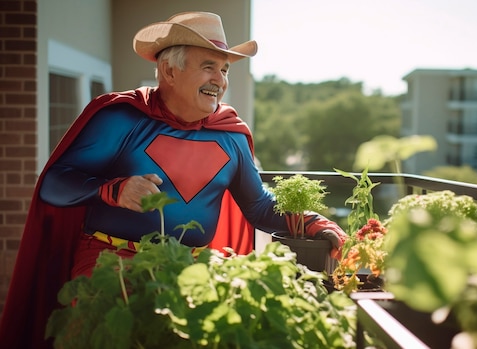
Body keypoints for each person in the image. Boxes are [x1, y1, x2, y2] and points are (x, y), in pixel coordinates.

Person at [0, 12, 346, 349]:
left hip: (193, 269)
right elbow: (55, 182)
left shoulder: (231, 136)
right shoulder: (121, 118)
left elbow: (258, 206)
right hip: (110, 264)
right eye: (208, 66)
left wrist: (313, 223)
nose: (220, 80)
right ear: (169, 70)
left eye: (224, 69)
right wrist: (113, 190)